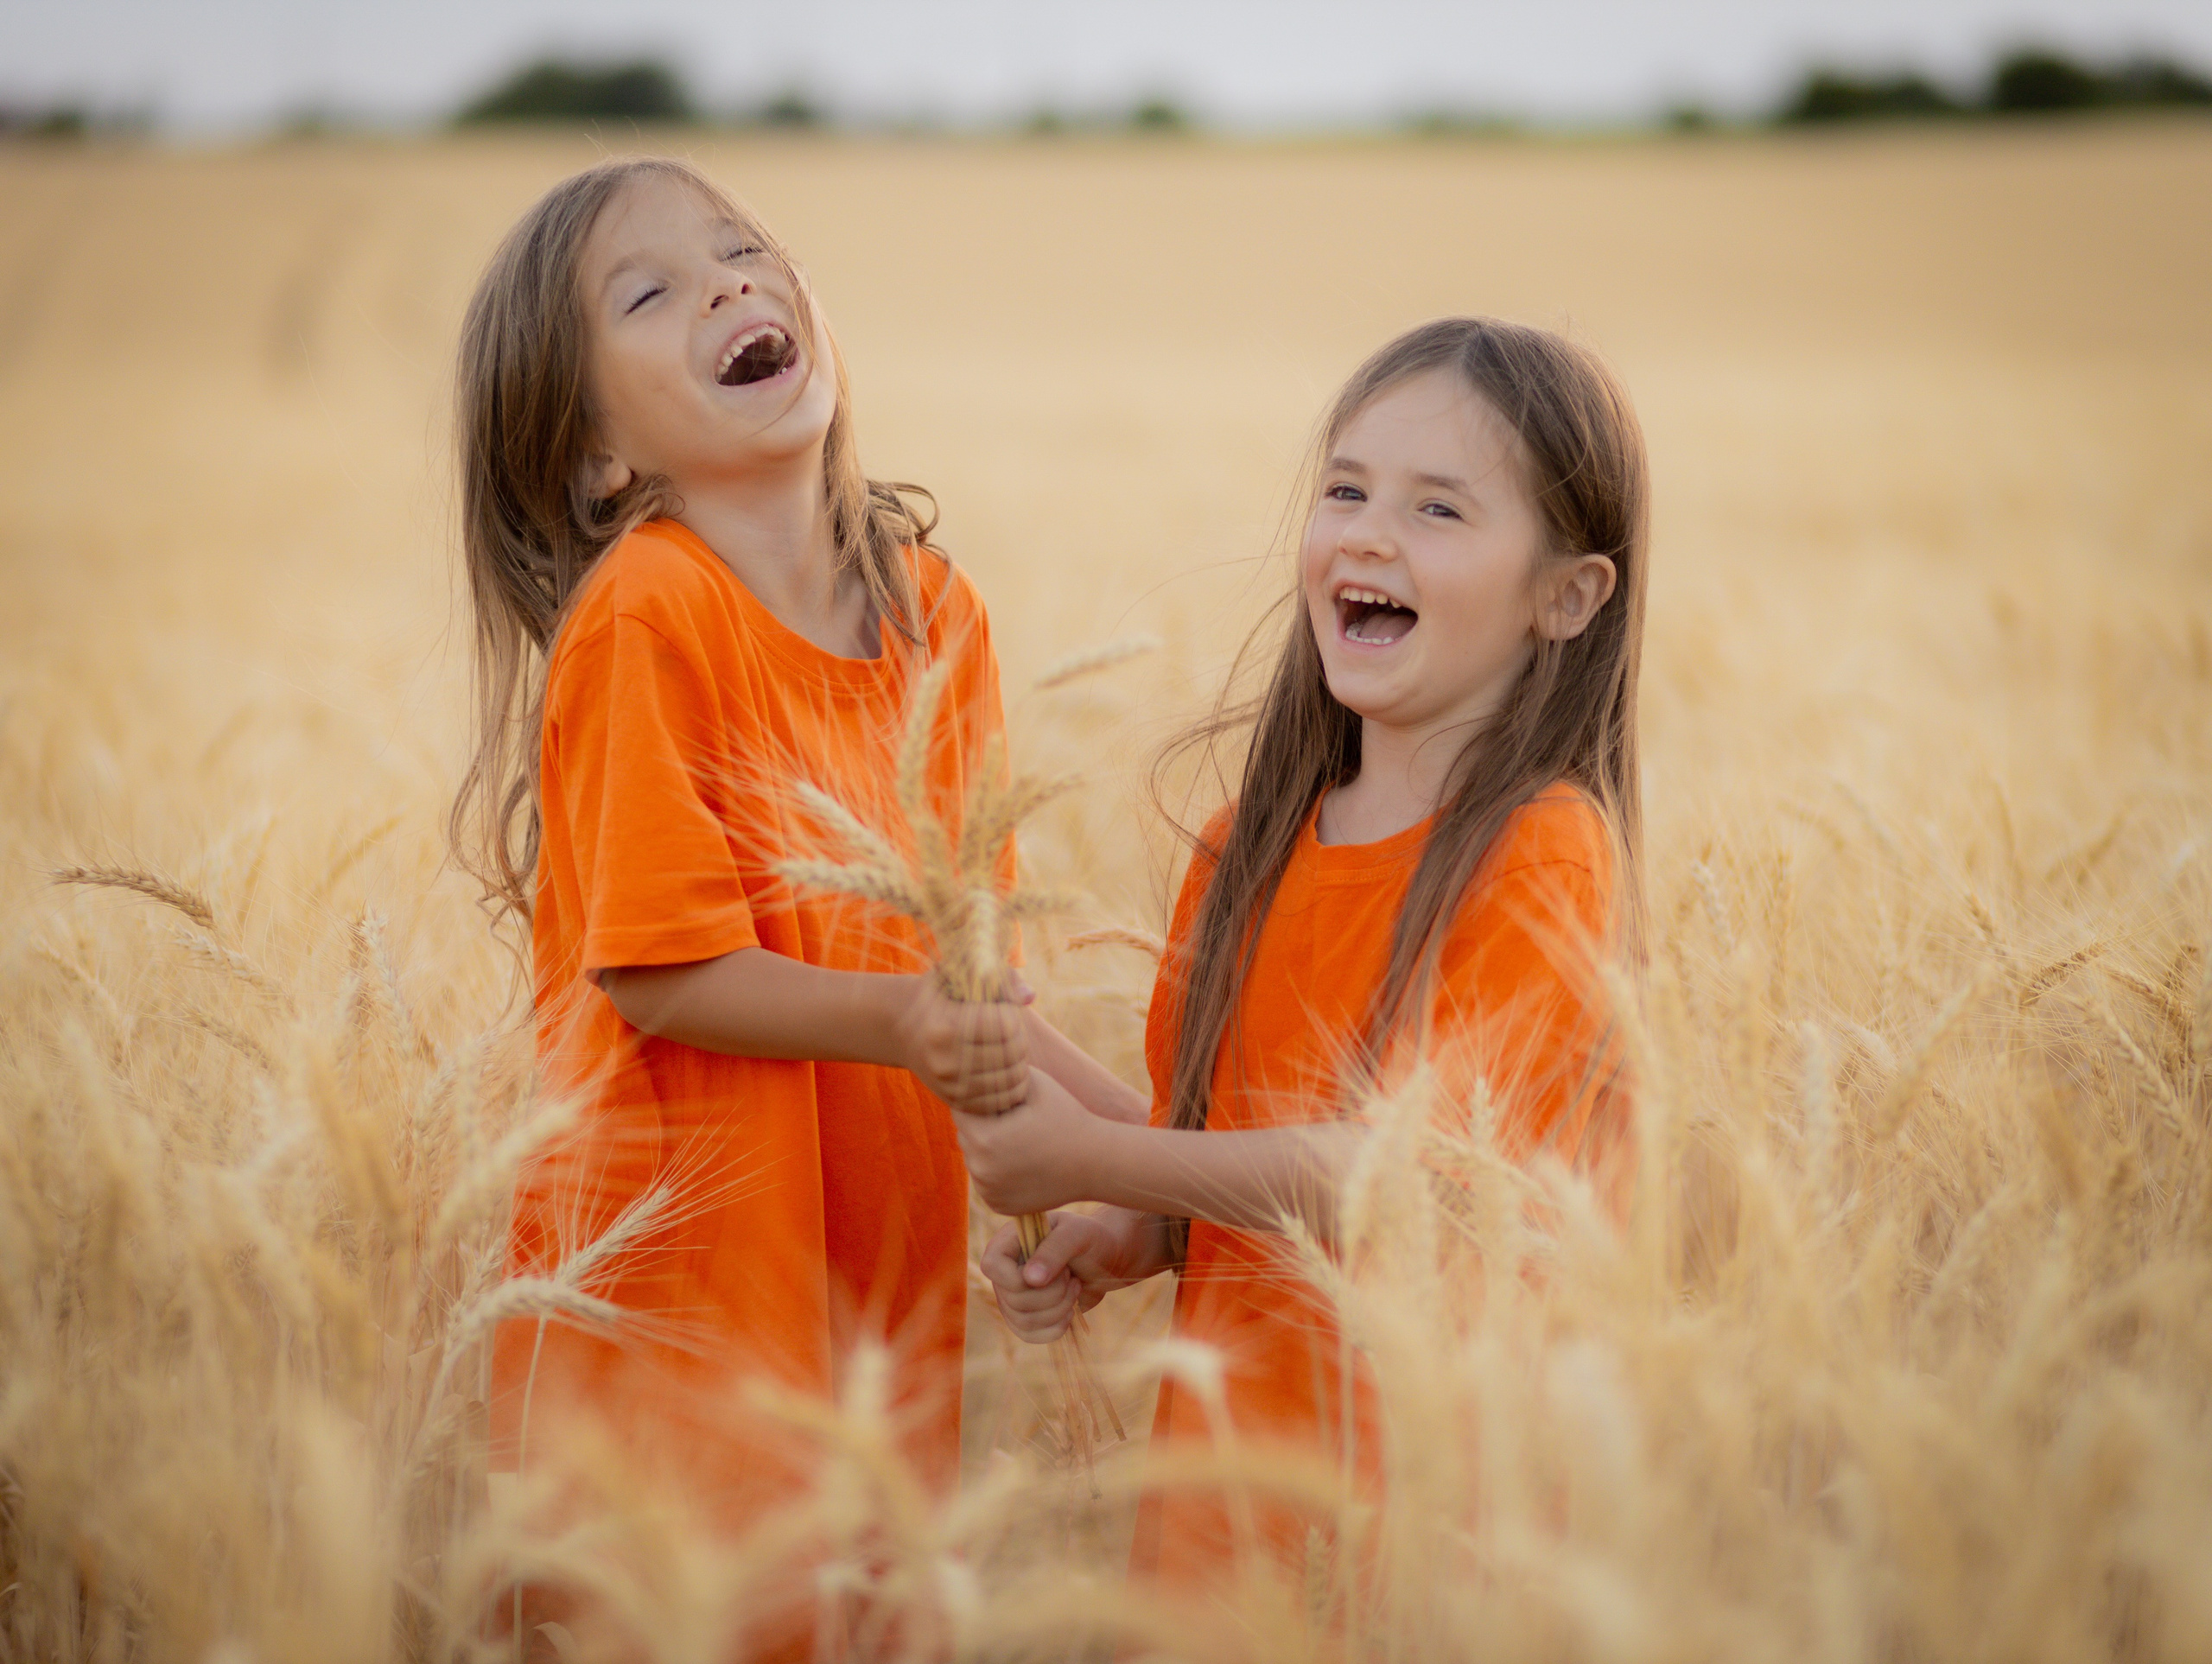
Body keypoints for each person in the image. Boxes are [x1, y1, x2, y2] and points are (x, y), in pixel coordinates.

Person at [448, 157, 1128, 1569]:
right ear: (595, 457)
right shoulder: (648, 614)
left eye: (742, 248)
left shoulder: (934, 616)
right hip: (681, 1286)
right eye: (651, 293)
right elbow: (659, 968)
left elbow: (968, 986)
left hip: (877, 1285)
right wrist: (911, 1023)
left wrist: (1161, 1154)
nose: (728, 284)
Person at [955, 316, 1648, 1587]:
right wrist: (1128, 1224)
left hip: (1429, 1541)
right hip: (1223, 1521)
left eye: (1438, 508)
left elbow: (1403, 1175)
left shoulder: (1543, 853)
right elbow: (1220, 1142)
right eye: (1346, 490)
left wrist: (1096, 1158)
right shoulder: (1246, 848)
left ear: (1566, 596)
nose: (1369, 534)